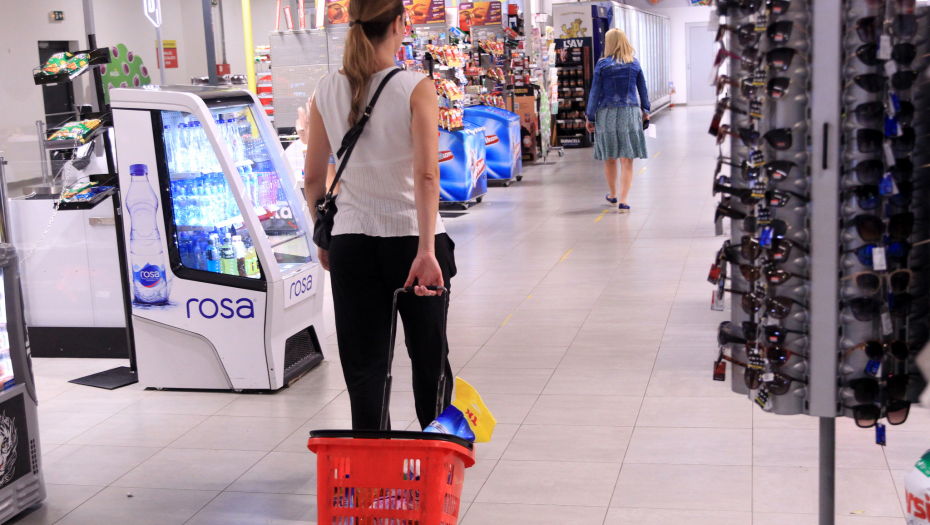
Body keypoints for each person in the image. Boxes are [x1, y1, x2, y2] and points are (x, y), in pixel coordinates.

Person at [302, 0, 455, 430]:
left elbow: (312, 179)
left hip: (351, 245)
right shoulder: (416, 87)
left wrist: (325, 237)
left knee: (364, 370)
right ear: (399, 25)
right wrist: (427, 251)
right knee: (430, 361)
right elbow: (427, 175)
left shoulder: (325, 90)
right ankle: (439, 456)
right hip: (414, 244)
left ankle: (372, 465)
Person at [585, 28, 650, 212]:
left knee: (610, 157)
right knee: (627, 159)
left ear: (609, 43)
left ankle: (613, 195)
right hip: (629, 113)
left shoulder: (602, 65)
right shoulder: (634, 63)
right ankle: (623, 200)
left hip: (607, 114)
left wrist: (590, 117)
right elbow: (643, 90)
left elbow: (595, 92)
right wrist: (646, 111)